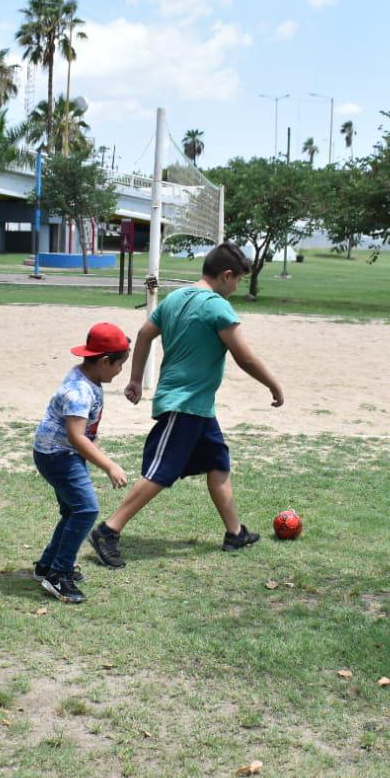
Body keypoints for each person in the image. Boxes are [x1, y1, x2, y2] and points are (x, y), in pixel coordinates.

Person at [88, 242, 283, 568]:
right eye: (238, 280)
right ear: (227, 275)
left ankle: (235, 532)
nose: (237, 287)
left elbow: (144, 333)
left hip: (199, 406)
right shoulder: (217, 307)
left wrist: (136, 379)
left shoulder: (175, 298)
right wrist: (273, 384)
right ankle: (109, 530)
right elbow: (245, 357)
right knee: (161, 472)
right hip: (184, 404)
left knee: (218, 463)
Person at [31, 323, 132, 604]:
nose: (120, 371)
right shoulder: (78, 391)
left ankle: (46, 566)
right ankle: (59, 574)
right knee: (86, 509)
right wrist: (109, 465)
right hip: (58, 455)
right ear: (104, 361)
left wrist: (94, 446)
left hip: (60, 452)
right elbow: (76, 437)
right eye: (120, 365)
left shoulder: (89, 378)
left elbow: (82, 434)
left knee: (73, 511)